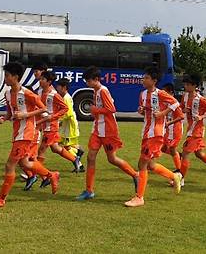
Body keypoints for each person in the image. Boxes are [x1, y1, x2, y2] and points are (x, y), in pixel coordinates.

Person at [0, 62, 60, 208]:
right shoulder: (7, 93)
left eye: (6, 76)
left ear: (15, 77)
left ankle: (1, 199)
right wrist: (4, 118)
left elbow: (43, 108)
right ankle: (51, 175)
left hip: (26, 133)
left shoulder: (26, 93)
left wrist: (26, 114)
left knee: (9, 164)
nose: (4, 79)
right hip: (17, 132)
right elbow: (10, 112)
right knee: (25, 163)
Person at [76, 66, 138, 201]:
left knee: (112, 159)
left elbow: (111, 109)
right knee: (90, 157)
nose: (87, 83)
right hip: (97, 129)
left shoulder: (103, 91)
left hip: (108, 130)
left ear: (96, 79)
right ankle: (89, 190)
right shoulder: (96, 91)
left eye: (88, 81)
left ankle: (135, 175)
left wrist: (95, 110)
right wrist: (95, 111)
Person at [124, 68, 182, 207]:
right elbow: (145, 113)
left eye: (146, 78)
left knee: (142, 164)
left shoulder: (161, 93)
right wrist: (141, 111)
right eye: (143, 78)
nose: (143, 80)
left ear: (154, 81)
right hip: (146, 132)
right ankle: (174, 176)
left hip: (156, 134)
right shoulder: (142, 94)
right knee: (150, 165)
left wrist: (163, 113)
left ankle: (139, 197)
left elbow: (175, 103)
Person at [36, 71, 82, 174]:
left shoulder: (54, 95)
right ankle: (75, 159)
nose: (40, 81)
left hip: (51, 126)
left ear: (49, 82)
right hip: (44, 124)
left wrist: (53, 117)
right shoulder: (39, 92)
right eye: (40, 79)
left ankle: (35, 174)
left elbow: (65, 108)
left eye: (43, 79)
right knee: (55, 148)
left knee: (41, 150)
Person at [55, 78, 85, 171]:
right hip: (66, 126)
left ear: (64, 88)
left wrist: (58, 120)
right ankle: (79, 164)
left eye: (58, 87)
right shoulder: (64, 97)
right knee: (64, 144)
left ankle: (78, 155)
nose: (57, 89)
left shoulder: (66, 98)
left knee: (66, 146)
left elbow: (68, 113)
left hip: (69, 126)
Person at [160, 83, 183, 171]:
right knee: (163, 148)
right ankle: (178, 156)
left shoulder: (174, 102)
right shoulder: (165, 102)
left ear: (171, 92)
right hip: (168, 129)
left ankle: (179, 171)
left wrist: (169, 123)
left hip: (175, 129)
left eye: (165, 92)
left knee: (172, 148)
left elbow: (181, 116)